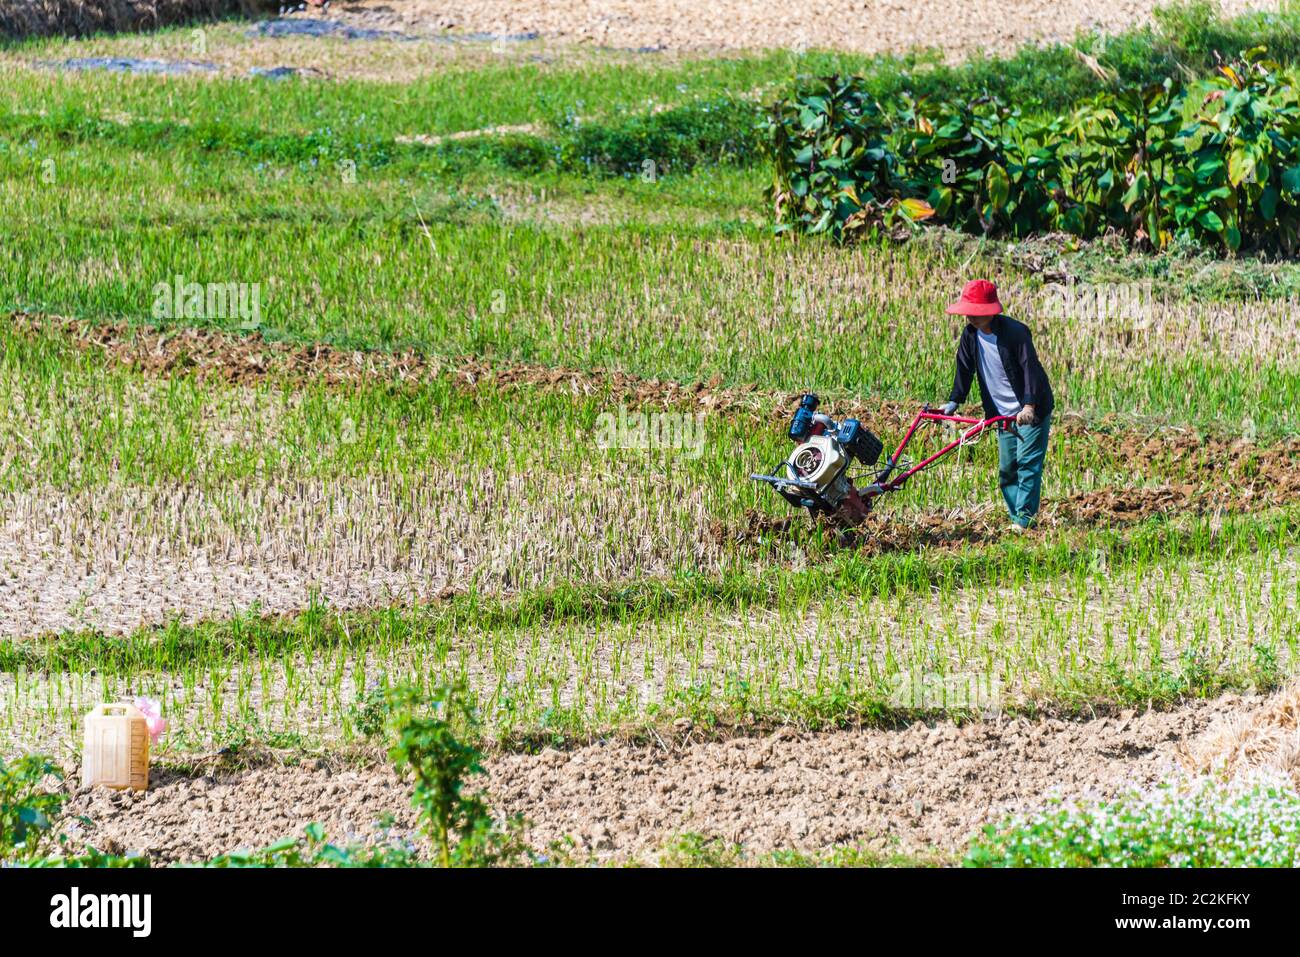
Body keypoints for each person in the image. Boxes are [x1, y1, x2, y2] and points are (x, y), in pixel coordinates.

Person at [940, 279, 1054, 532]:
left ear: (990, 310)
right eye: (968, 310)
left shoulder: (1015, 333)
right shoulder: (970, 335)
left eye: (975, 311)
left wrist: (1029, 406)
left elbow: (1030, 370)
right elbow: (964, 369)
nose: (970, 316)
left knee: (1027, 464)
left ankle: (1024, 521)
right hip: (1001, 412)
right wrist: (953, 402)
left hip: (1030, 410)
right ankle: (1020, 518)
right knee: (1007, 470)